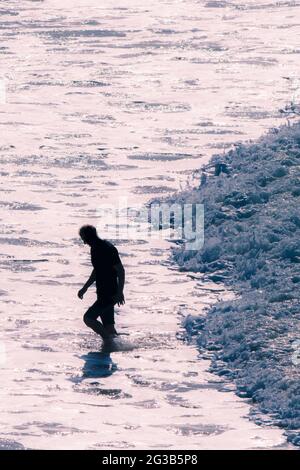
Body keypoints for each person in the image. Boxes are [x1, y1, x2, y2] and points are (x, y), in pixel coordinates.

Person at [78, 225, 125, 342]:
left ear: (89, 236)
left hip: (110, 293)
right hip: (102, 292)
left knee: (88, 318)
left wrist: (120, 292)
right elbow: (97, 270)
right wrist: (85, 288)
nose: (84, 242)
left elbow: (120, 270)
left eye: (84, 238)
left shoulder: (108, 248)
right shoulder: (94, 249)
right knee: (109, 327)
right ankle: (120, 347)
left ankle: (109, 342)